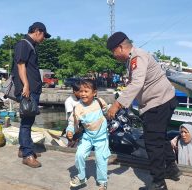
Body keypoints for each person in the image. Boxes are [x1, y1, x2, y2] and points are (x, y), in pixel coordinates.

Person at [106, 32, 181, 190]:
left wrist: (117, 105)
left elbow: (136, 84)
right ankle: (172, 170)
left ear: (120, 48)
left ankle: (158, 183)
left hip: (157, 103)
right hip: (164, 100)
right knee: (160, 137)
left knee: (152, 142)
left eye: (113, 52)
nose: (114, 56)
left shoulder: (137, 58)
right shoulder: (135, 57)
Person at [12, 22, 51, 168]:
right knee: (27, 122)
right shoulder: (24, 44)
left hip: (31, 90)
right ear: (37, 31)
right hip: (27, 91)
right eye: (43, 35)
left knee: (27, 121)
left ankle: (24, 149)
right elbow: (20, 65)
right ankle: (28, 155)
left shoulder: (30, 45)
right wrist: (27, 85)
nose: (44, 39)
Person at [66, 79, 110, 190]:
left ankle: (102, 182)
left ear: (94, 93)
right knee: (79, 155)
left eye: (86, 91)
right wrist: (70, 131)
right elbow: (72, 122)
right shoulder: (78, 108)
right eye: (81, 91)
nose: (83, 94)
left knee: (101, 160)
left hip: (101, 137)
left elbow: (106, 110)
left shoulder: (100, 102)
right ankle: (81, 177)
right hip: (87, 136)